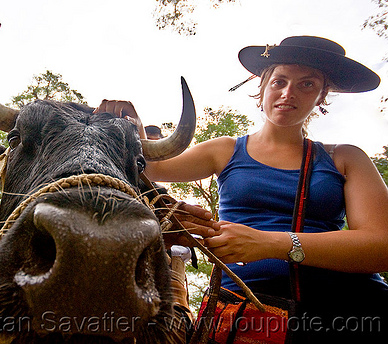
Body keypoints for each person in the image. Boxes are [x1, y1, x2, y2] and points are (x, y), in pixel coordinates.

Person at [94, 36, 388, 342]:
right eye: (280, 81)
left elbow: (382, 246)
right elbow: (153, 166)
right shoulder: (225, 150)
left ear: (321, 96)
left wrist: (272, 244)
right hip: (244, 317)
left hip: (354, 312)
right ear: (261, 87)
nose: (288, 93)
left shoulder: (345, 157)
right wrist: (134, 127)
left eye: (307, 84)